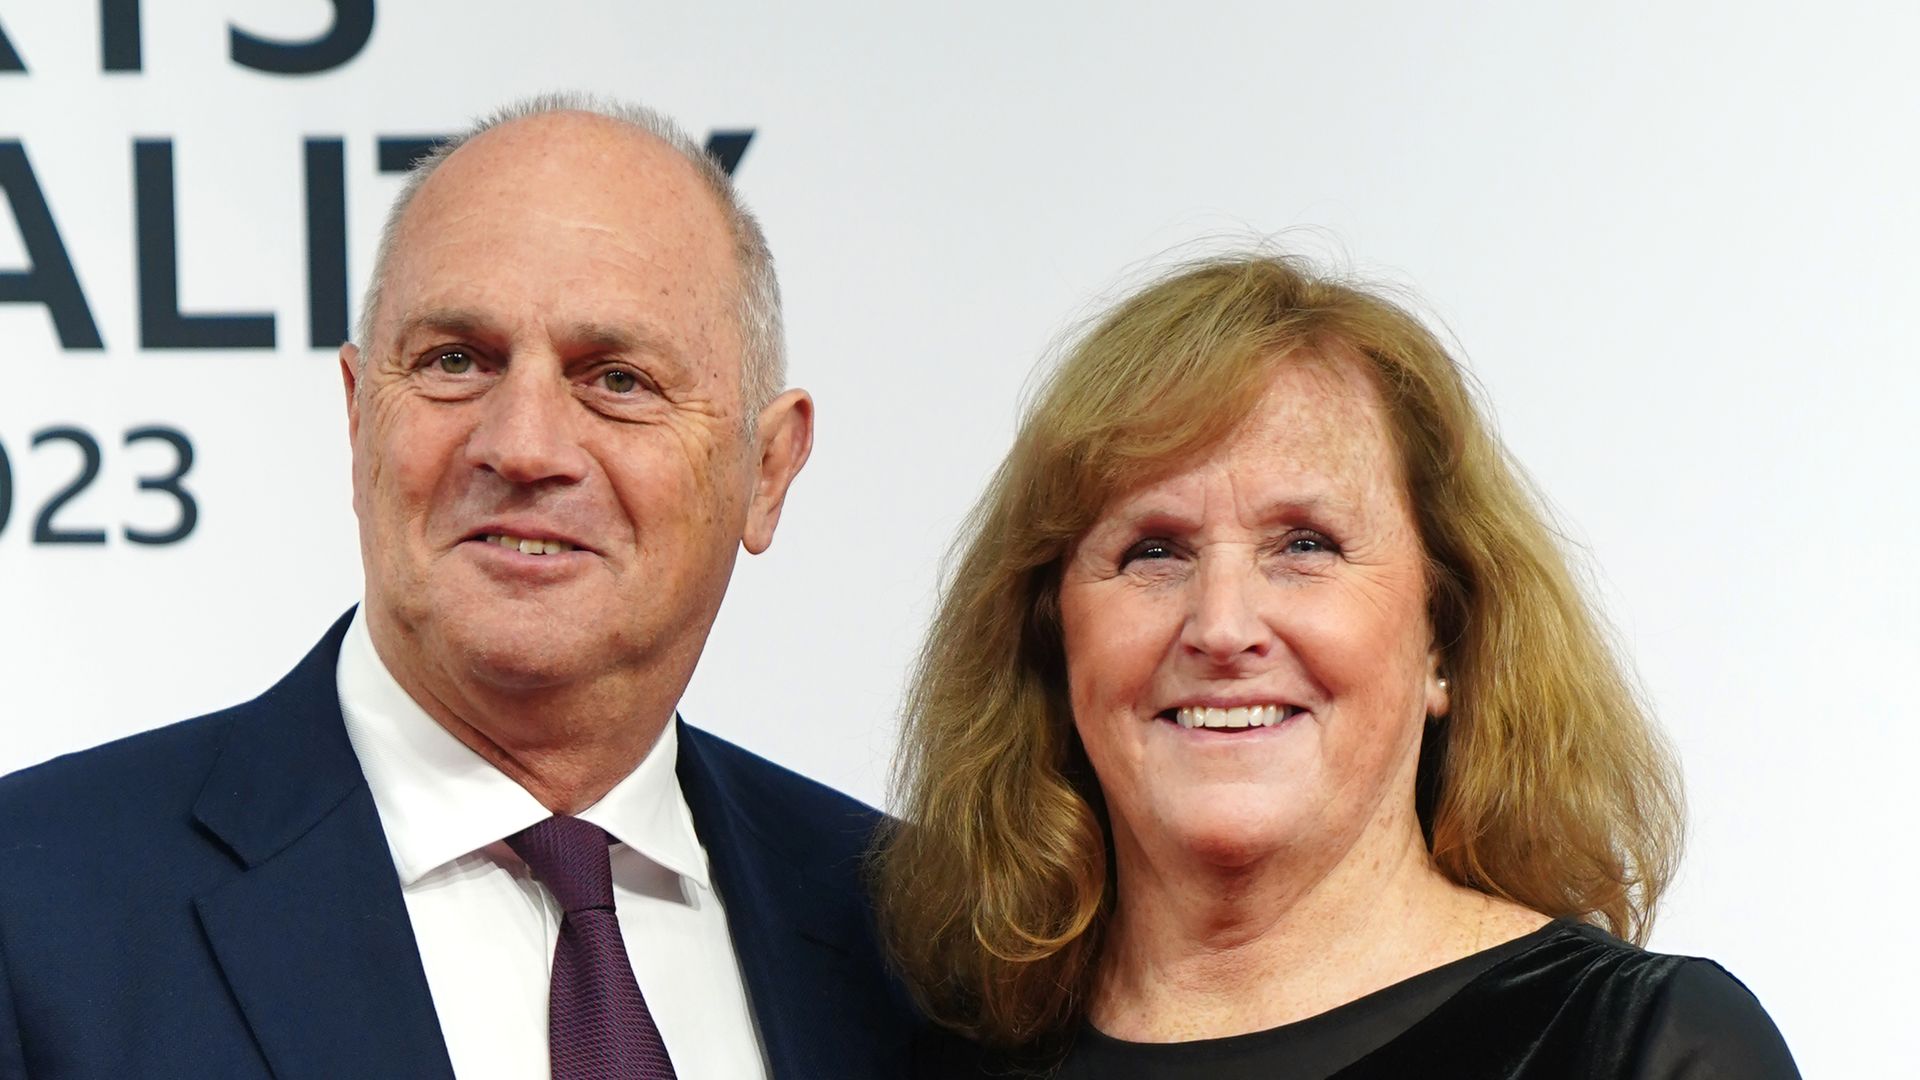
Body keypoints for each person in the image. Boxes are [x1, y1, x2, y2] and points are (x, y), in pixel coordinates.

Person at [0, 94, 920, 1079]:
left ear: (767, 470)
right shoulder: (33, 907)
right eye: (455, 361)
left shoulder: (918, 940)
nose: (523, 446)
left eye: (616, 379)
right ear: (359, 423)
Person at [876, 253, 1799, 1078]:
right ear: (1050, 636)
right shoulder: (905, 1055)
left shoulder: (1641, 1048)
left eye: (1305, 544)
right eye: (1154, 552)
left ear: (1446, 637)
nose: (1223, 626)